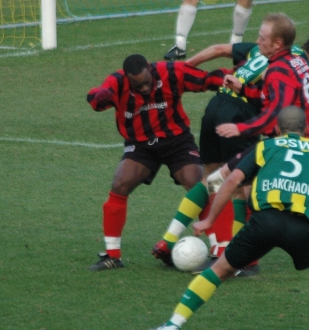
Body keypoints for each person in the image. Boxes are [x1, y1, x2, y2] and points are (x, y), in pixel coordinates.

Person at [145, 106, 309, 330]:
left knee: (219, 270)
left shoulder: (265, 147)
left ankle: (173, 325)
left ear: (277, 129)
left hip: (264, 222)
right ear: (307, 130)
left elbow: (232, 180)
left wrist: (209, 220)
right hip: (302, 227)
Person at [152, 27, 309, 274]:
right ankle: (234, 256)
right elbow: (276, 105)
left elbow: (219, 49)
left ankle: (168, 241)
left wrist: (182, 69)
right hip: (241, 113)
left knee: (211, 178)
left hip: (217, 106)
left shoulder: (267, 50)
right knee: (243, 189)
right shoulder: (294, 64)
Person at [86, 54, 228, 271]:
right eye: (137, 85)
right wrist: (99, 96)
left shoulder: (170, 72)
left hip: (177, 141)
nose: (143, 89)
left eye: (146, 83)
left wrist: (226, 80)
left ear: (151, 71)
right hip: (141, 145)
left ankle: (218, 252)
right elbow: (97, 99)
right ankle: (112, 255)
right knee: (120, 184)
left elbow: (205, 80)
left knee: (199, 184)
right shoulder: (117, 82)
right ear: (128, 78)